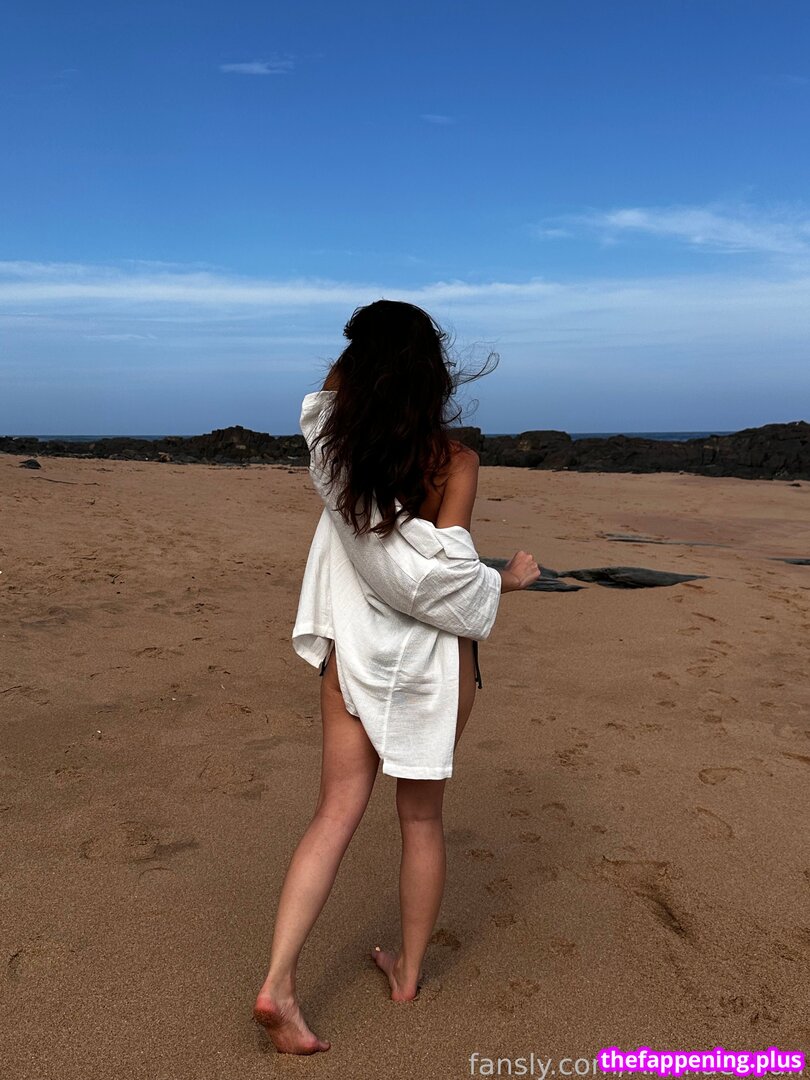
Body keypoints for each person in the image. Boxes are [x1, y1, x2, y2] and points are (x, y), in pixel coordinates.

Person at [253, 300, 541, 1054]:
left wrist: (362, 355)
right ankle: (408, 974)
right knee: (420, 820)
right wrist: (507, 580)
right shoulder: (455, 461)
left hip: (353, 651)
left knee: (334, 814)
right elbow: (440, 583)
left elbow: (326, 397)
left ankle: (279, 982)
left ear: (360, 370)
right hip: (431, 667)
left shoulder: (336, 457)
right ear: (433, 375)